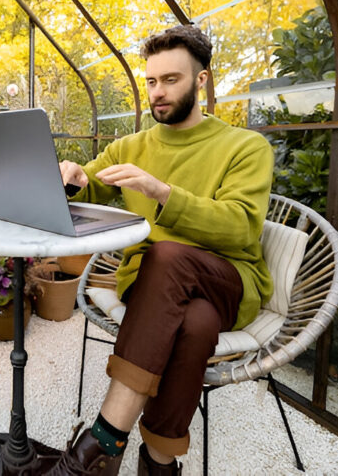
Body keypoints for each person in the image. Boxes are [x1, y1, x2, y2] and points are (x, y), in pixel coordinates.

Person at [51, 25, 274, 475]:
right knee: (195, 322)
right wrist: (73, 176)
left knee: (168, 254)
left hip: (226, 279)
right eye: (151, 81)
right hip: (154, 290)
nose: (157, 92)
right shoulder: (130, 146)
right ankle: (158, 462)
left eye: (171, 80)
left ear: (202, 80)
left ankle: (102, 441)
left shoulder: (245, 146)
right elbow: (91, 183)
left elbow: (241, 226)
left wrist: (163, 194)